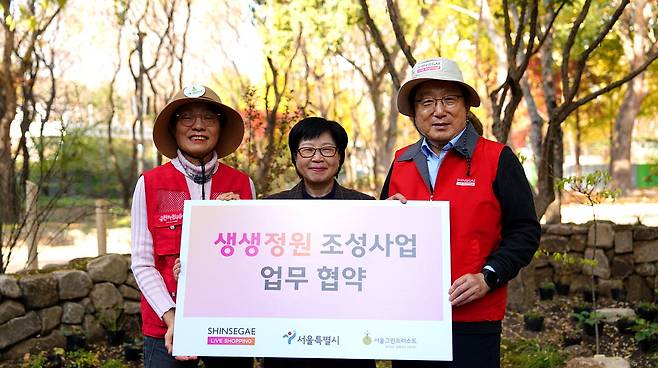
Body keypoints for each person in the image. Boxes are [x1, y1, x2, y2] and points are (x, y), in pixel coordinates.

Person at [174, 117, 374, 368]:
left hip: (349, 343)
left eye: (327, 150)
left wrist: (401, 215)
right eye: (307, 150)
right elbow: (243, 268)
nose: (317, 158)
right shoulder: (269, 208)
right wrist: (203, 255)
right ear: (294, 158)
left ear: (340, 157)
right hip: (286, 344)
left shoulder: (367, 207)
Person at [380, 58, 540, 368]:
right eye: (426, 102)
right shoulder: (401, 161)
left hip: (474, 318)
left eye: (449, 99)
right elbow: (383, 238)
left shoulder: (497, 158)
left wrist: (488, 277)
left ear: (466, 106)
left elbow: (525, 231)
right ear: (414, 112)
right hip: (412, 318)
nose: (438, 111)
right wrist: (384, 217)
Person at [131, 84, 256, 368]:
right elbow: (142, 262)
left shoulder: (242, 184)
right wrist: (172, 317)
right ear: (174, 128)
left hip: (229, 325)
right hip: (166, 326)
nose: (198, 126)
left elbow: (252, 262)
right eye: (186, 117)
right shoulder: (150, 184)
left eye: (209, 118)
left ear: (220, 128)